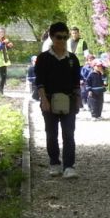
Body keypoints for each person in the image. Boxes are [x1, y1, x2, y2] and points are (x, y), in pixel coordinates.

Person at [34, 22, 82, 179]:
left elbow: (76, 82)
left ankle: (69, 166)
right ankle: (54, 162)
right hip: (49, 100)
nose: (62, 40)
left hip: (69, 101)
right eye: (58, 37)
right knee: (51, 133)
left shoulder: (72, 59)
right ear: (51, 37)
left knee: (69, 134)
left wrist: (78, 100)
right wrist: (44, 100)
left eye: (65, 37)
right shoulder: (43, 58)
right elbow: (39, 82)